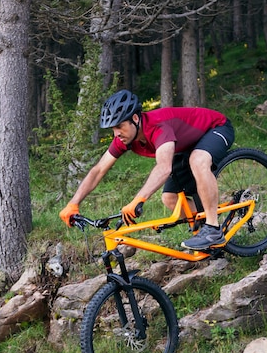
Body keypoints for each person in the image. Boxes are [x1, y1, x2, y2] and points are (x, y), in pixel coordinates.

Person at [59, 89, 235, 250]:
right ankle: (208, 224)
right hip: (186, 145)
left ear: (135, 119)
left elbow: (164, 167)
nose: (116, 134)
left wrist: (139, 199)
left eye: (120, 126)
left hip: (216, 128)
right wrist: (73, 203)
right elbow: (98, 170)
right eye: (113, 129)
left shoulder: (158, 127)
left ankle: (213, 228)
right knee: (169, 198)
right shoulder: (126, 137)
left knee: (198, 160)